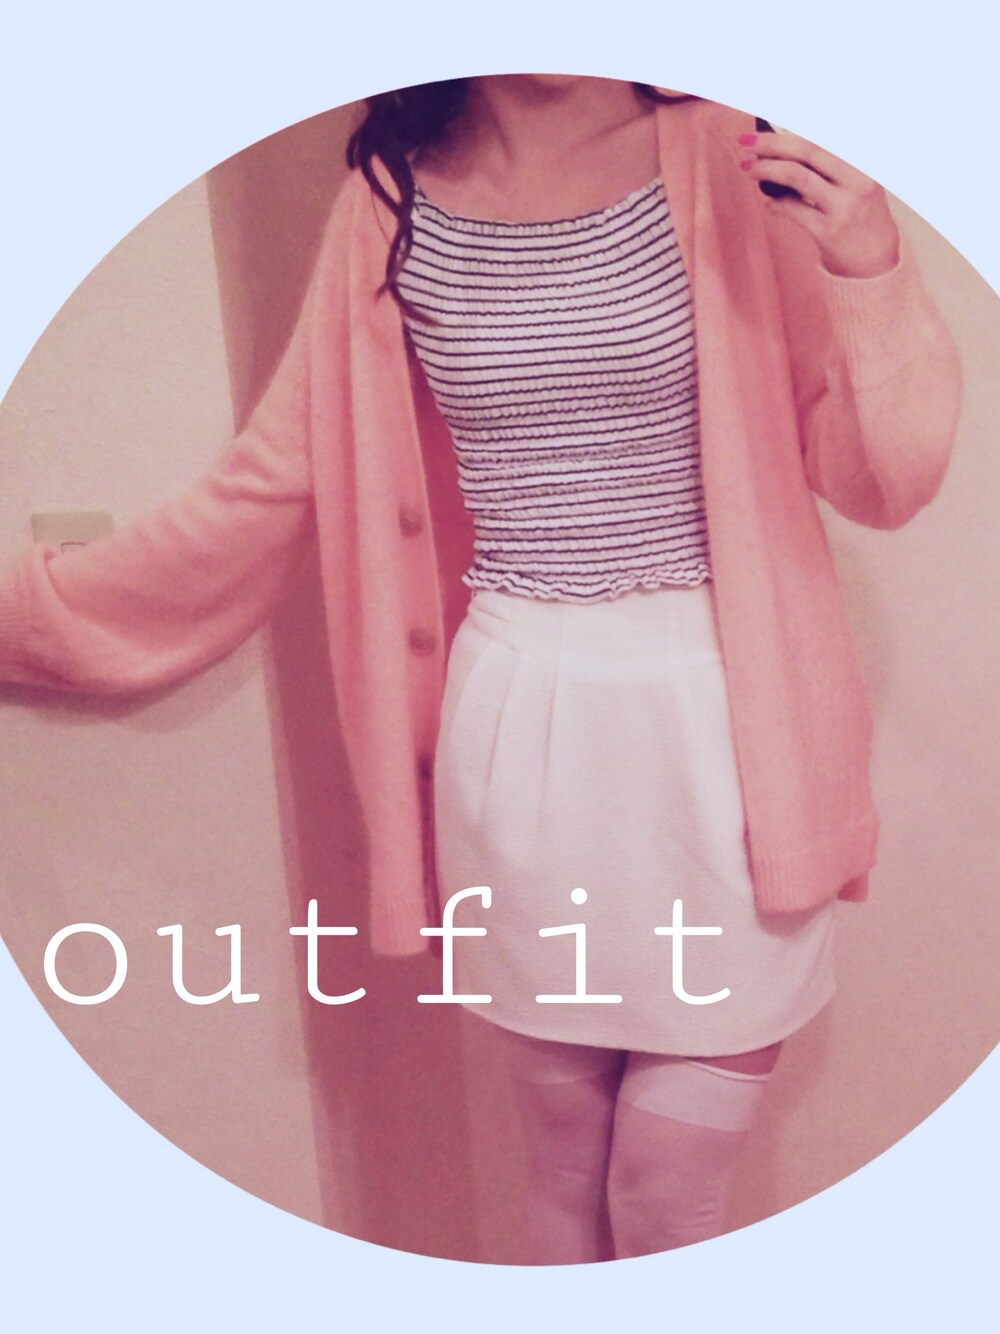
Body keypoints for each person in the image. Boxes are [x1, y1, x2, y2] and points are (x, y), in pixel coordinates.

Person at [0, 75, 962, 1263]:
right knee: (560, 1155)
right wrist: (41, 614)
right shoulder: (389, 198)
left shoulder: (727, 155)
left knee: (667, 1189)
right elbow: (271, 479)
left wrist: (867, 265)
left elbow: (884, 477)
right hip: (517, 720)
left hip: (728, 729)